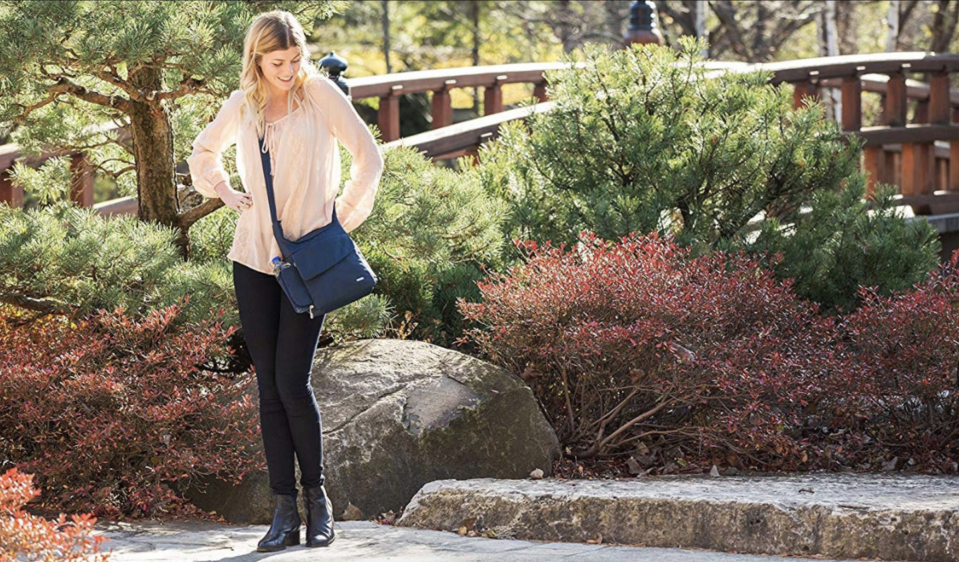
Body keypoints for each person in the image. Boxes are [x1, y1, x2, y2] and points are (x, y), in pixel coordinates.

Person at [186, 9, 384, 553]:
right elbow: (203, 151)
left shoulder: (319, 94)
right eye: (279, 62)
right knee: (267, 387)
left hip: (309, 261)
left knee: (293, 383)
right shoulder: (242, 102)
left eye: (296, 59)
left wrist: (340, 221)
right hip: (252, 258)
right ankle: (282, 513)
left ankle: (318, 504)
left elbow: (369, 157)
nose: (291, 69)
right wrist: (223, 191)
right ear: (257, 59)